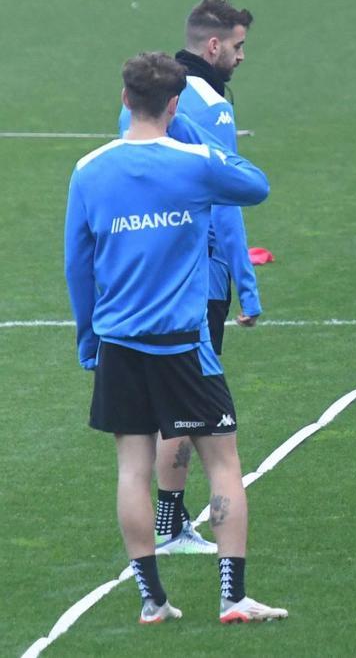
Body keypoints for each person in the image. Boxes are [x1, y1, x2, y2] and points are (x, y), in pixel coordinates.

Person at [65, 52, 286, 624]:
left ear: (122, 98)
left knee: (132, 470)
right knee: (224, 464)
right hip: (184, 346)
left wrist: (89, 339)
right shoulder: (193, 162)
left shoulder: (89, 170)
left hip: (118, 343)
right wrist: (184, 131)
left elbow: (77, 265)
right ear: (172, 104)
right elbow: (255, 185)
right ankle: (233, 597)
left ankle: (152, 599)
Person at [118, 0, 263, 555]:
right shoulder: (207, 103)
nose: (241, 57)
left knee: (153, 413)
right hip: (194, 276)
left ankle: (166, 524)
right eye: (238, 45)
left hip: (138, 272)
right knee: (190, 407)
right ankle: (171, 524)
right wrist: (245, 284)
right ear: (213, 45)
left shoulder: (144, 101)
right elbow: (225, 200)